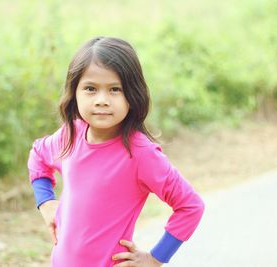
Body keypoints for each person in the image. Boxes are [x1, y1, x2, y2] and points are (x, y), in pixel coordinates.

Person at [27, 36, 205, 267]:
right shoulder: (69, 135)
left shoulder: (141, 153)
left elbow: (190, 206)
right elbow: (38, 156)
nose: (102, 100)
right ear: (75, 93)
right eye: (90, 89)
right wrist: (46, 203)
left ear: (133, 95)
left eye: (115, 89)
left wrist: (155, 258)